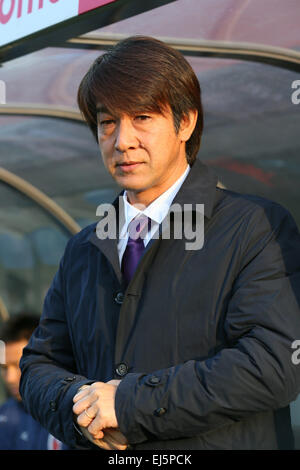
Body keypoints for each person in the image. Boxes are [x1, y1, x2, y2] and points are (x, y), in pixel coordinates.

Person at [19, 36, 300, 450]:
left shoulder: (254, 227)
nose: (122, 140)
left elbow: (274, 364)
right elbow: (39, 364)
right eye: (107, 122)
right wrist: (82, 411)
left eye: (143, 117)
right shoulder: (83, 248)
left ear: (185, 122)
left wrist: (130, 404)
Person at [0, 313, 67, 449]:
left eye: (20, 365)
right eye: (4, 368)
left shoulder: (75, 410)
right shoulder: (4, 417)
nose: (10, 378)